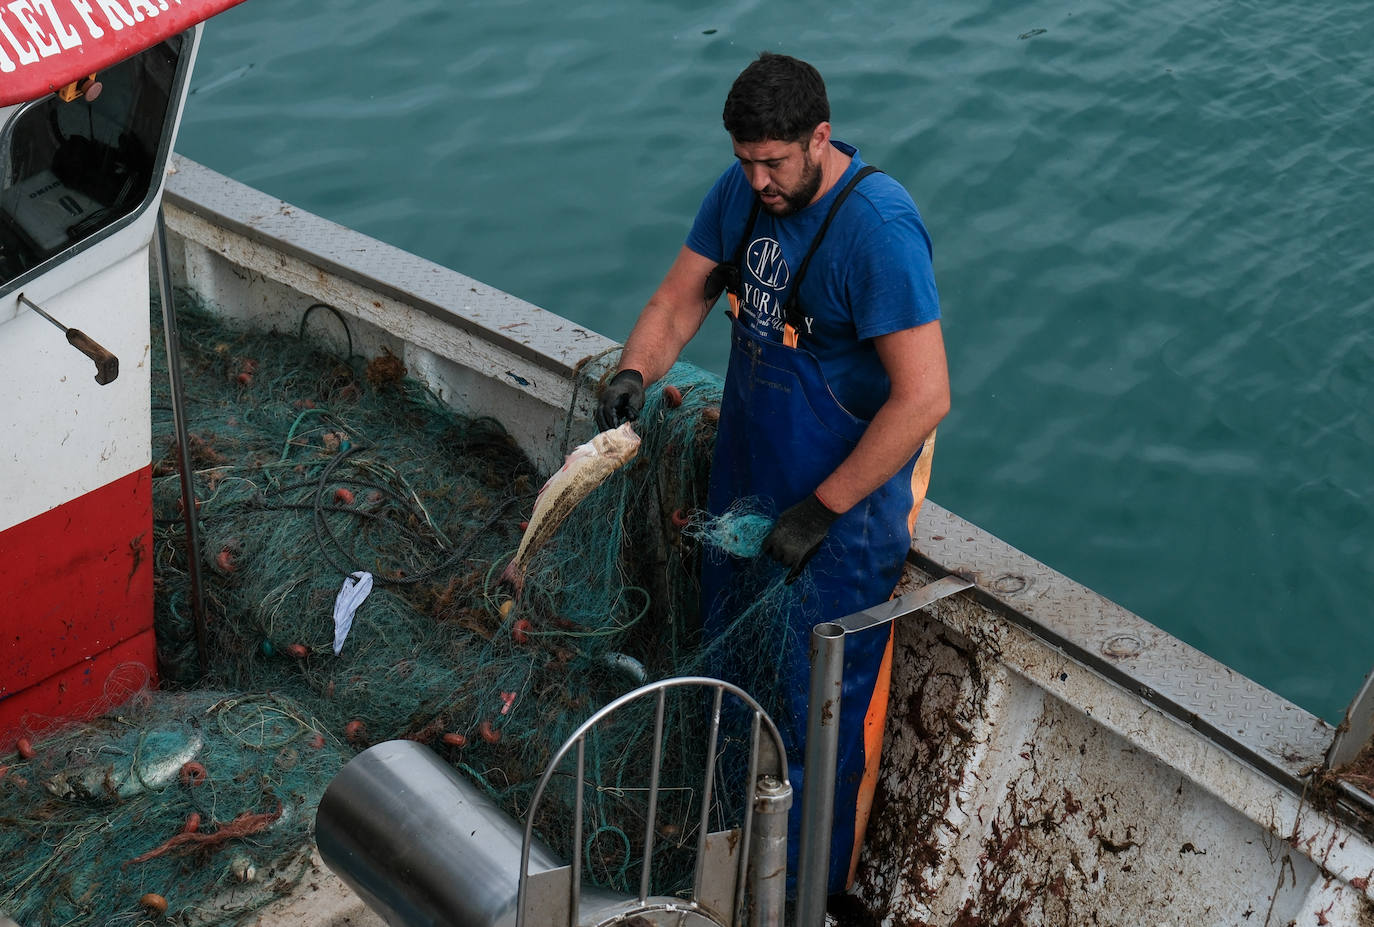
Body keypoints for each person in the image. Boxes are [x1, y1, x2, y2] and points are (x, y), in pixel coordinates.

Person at [595, 51, 949, 897]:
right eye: (745, 160)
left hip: (839, 526)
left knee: (810, 720)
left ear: (820, 138)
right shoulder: (742, 193)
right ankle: (725, 874)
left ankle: (801, 900)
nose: (759, 181)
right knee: (730, 686)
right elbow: (680, 298)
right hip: (746, 490)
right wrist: (634, 372)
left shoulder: (877, 229)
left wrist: (821, 510)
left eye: (775, 162)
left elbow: (924, 396)